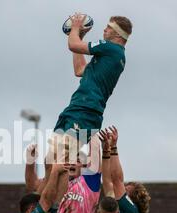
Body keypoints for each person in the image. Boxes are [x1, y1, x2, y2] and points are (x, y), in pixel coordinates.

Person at [48, 14, 133, 164]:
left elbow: (73, 45)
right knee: (51, 161)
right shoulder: (112, 55)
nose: (105, 29)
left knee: (60, 162)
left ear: (118, 34)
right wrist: (78, 35)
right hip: (77, 108)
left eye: (109, 27)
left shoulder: (111, 48)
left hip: (86, 112)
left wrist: (75, 28)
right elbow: (80, 69)